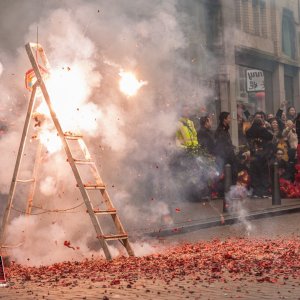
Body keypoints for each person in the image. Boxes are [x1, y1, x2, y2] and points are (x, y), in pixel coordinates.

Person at [246, 117, 273, 198]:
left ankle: (256, 192)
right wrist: (266, 128)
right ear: (261, 123)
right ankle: (264, 192)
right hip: (262, 155)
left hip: (253, 155)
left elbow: (247, 138)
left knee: (254, 174)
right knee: (263, 174)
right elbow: (270, 136)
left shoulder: (249, 131)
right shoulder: (262, 130)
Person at [214, 112, 237, 185]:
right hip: (225, 157)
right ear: (224, 119)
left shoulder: (225, 130)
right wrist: (230, 148)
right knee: (226, 173)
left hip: (229, 156)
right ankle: (225, 191)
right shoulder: (220, 131)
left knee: (233, 173)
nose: (230, 119)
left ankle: (230, 190)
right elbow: (221, 145)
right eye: (229, 118)